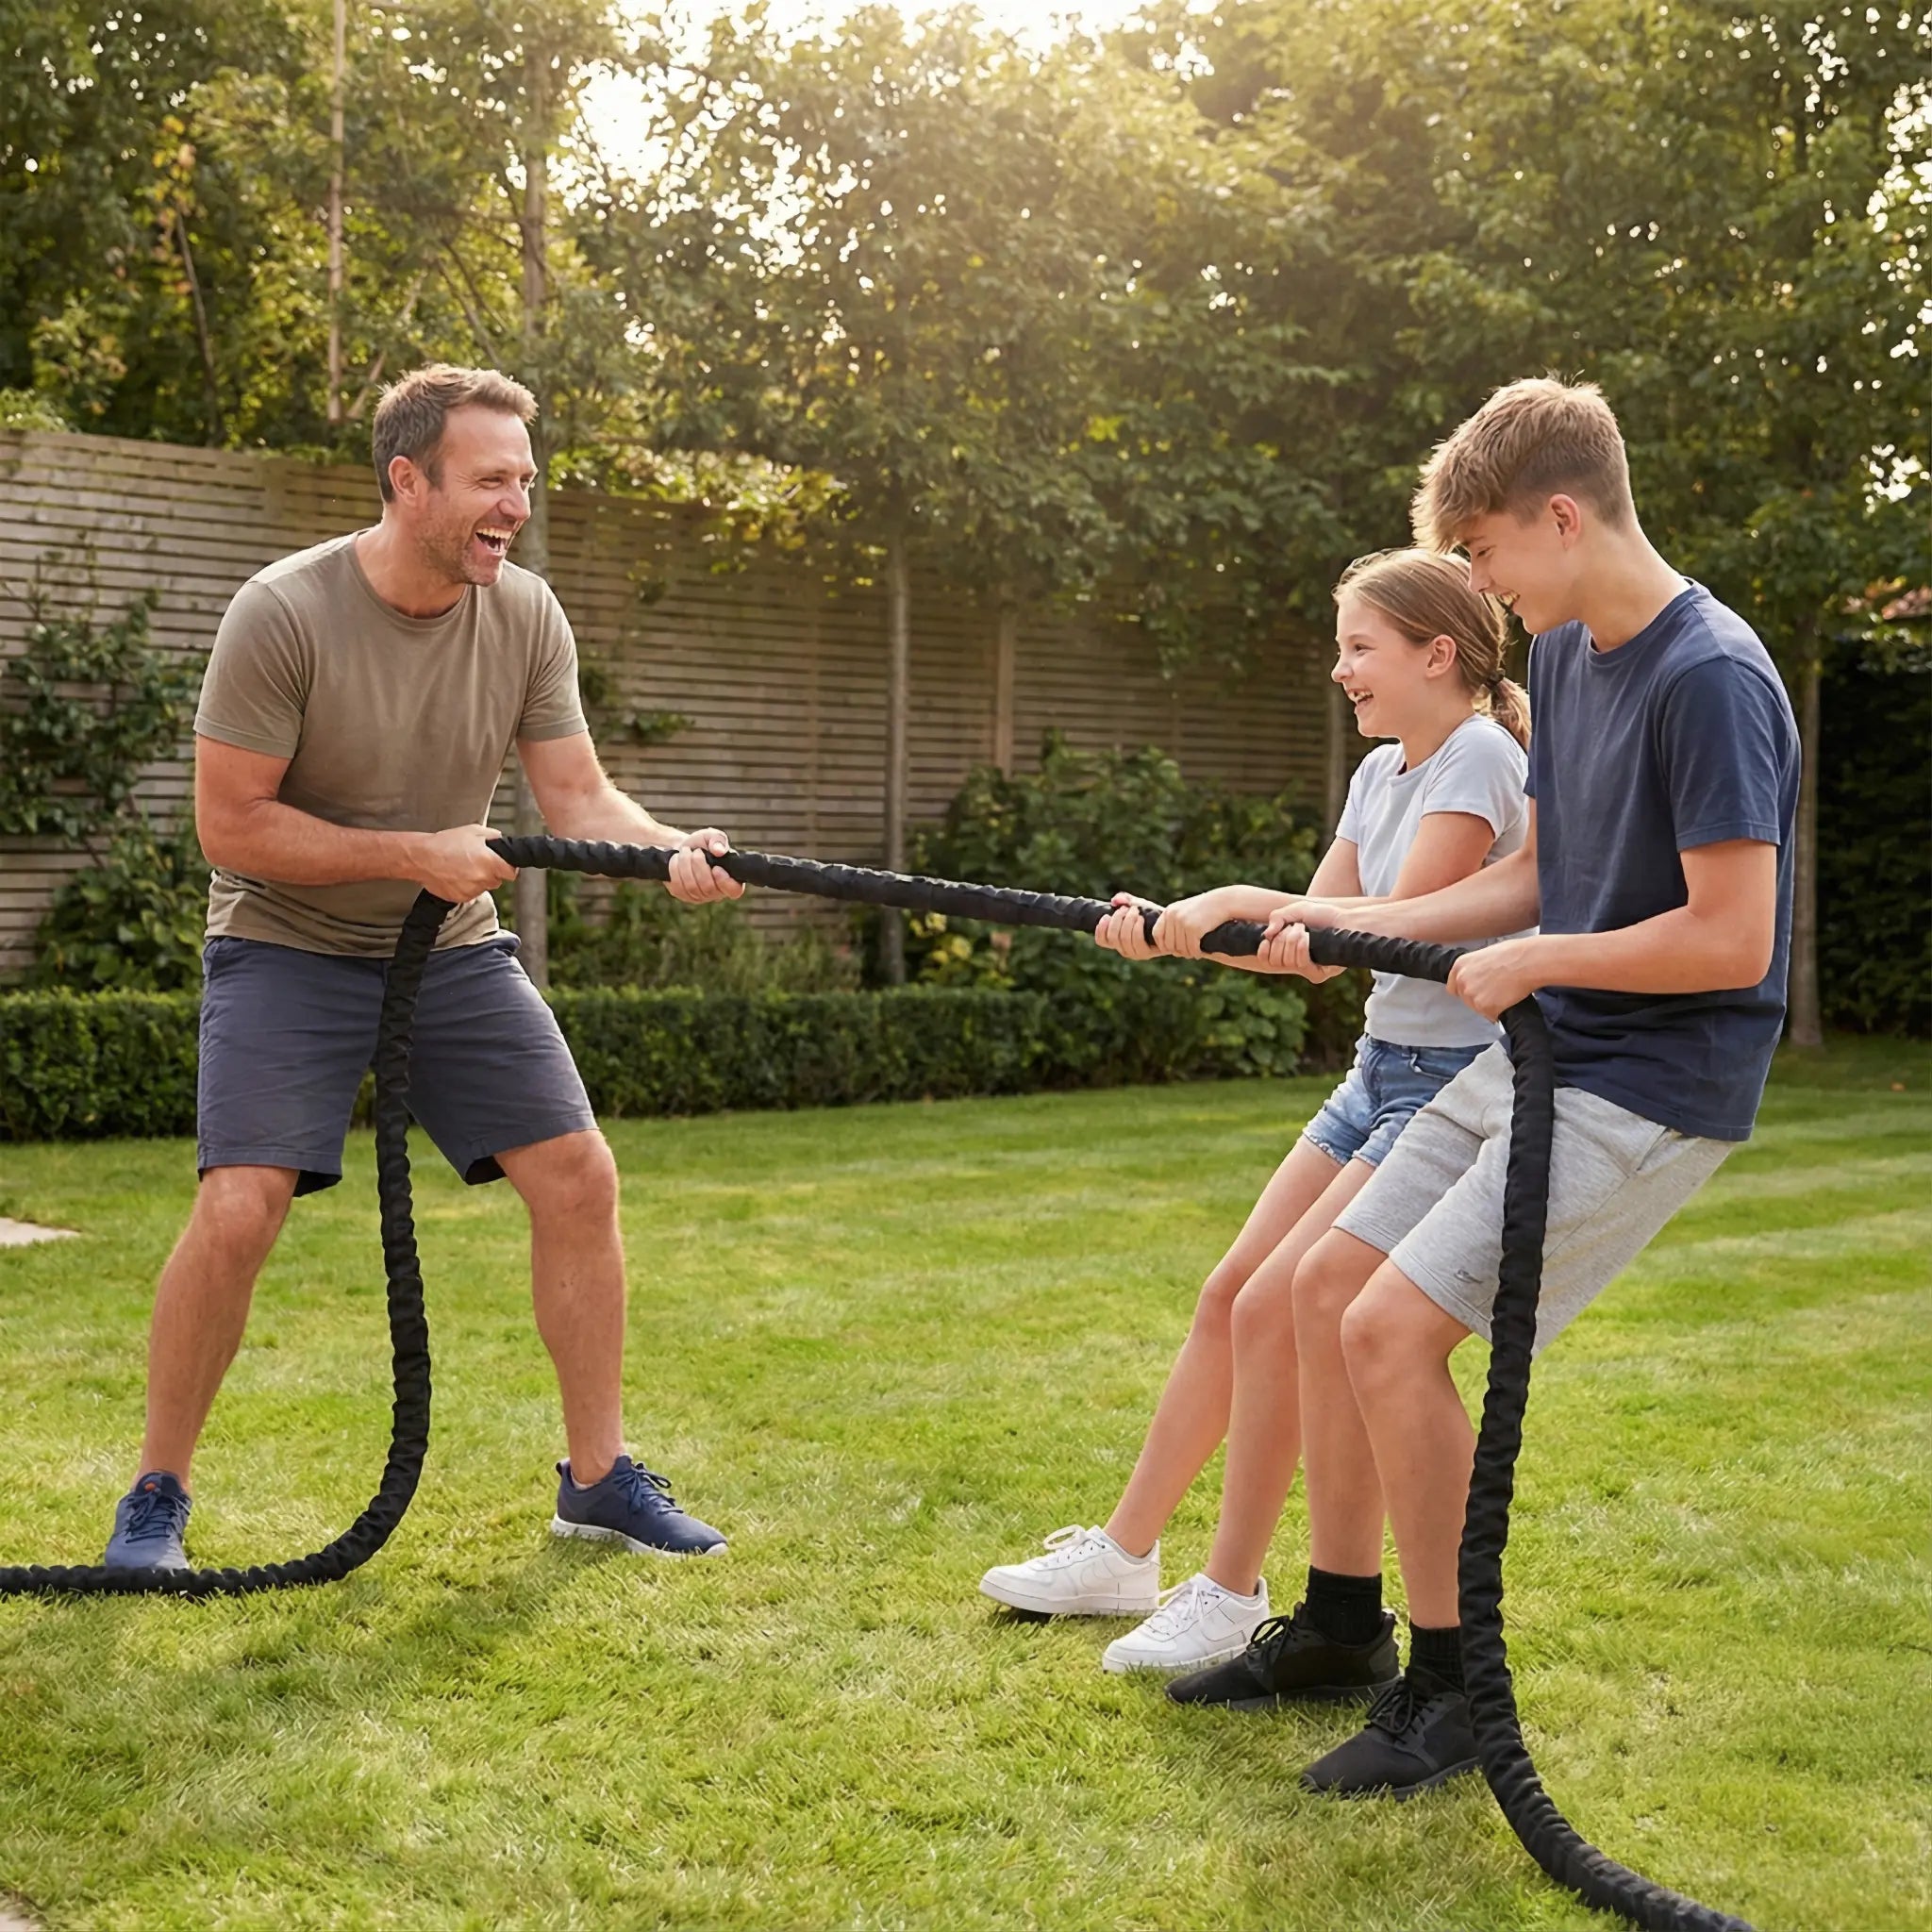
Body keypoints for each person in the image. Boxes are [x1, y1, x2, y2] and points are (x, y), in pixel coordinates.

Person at [1222, 375, 1797, 1798]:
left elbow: (1735, 937)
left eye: (1481, 554)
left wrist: (1541, 957)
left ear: (1559, 516)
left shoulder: (1707, 674)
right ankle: (1342, 1627)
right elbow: (1538, 872)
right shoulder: (1579, 660)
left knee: (1393, 1335)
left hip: (1649, 1084)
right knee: (1316, 1294)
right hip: (1538, 1051)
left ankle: (1451, 1686)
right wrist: (1345, 931)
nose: (1477, 590)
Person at [103, 364, 743, 1572]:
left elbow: (577, 794)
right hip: (283, 943)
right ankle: (155, 1496)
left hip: (448, 953)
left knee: (576, 1174)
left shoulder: (525, 613)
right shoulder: (282, 611)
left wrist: (674, 853)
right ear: (409, 481)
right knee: (241, 1205)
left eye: (527, 482)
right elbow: (229, 825)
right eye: (491, 480)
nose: (516, 505)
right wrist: (416, 851)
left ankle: (599, 1479)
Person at [978, 547, 1532, 1680]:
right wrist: (1174, 927)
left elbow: (1386, 921)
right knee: (1230, 1292)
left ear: (1439, 653)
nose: (1340, 670)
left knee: (1287, 1303)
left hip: (1447, 1083)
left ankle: (1231, 1591)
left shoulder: (1477, 756)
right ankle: (1125, 1552)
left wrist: (1238, 903)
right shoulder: (1379, 772)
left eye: (1358, 646)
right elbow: (1318, 954)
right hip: (1377, 1065)